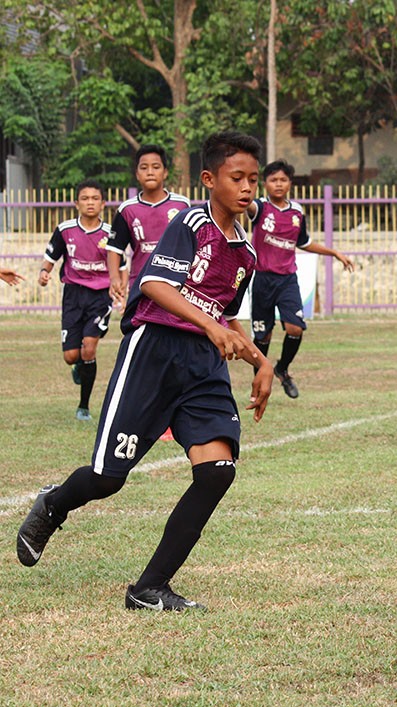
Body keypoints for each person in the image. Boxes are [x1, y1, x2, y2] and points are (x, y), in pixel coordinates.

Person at [16, 131, 274, 612]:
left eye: (253, 179)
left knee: (217, 472)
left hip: (203, 365)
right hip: (153, 352)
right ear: (208, 178)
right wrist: (212, 327)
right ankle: (53, 503)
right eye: (236, 177)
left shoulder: (247, 253)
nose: (247, 188)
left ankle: (149, 588)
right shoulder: (190, 222)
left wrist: (261, 360)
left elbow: (226, 312)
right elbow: (155, 284)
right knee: (107, 478)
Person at [247, 159, 354, 399]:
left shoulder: (296, 211)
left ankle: (282, 369)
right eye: (273, 180)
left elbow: (303, 242)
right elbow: (244, 205)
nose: (278, 184)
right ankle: (259, 383)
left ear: (290, 184)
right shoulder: (259, 208)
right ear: (265, 184)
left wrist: (334, 252)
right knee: (262, 336)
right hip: (263, 280)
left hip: (287, 280)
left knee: (295, 328)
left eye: (283, 180)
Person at [106, 144, 191, 443]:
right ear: (137, 173)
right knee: (144, 353)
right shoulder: (127, 210)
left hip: (176, 290)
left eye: (156, 166)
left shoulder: (182, 206)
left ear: (166, 172)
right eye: (144, 167)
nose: (150, 172)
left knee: (173, 352)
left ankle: (169, 418)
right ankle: (138, 412)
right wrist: (115, 277)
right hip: (143, 293)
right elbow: (115, 249)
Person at [39, 179, 113, 421]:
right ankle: (78, 366)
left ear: (103, 203)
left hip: (101, 296)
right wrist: (45, 271)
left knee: (89, 348)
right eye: (85, 198)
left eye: (94, 198)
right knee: (72, 355)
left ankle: (84, 407)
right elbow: (52, 254)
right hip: (73, 295)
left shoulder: (110, 233)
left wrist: (119, 286)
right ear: (76, 203)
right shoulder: (65, 229)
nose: (90, 203)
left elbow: (119, 262)